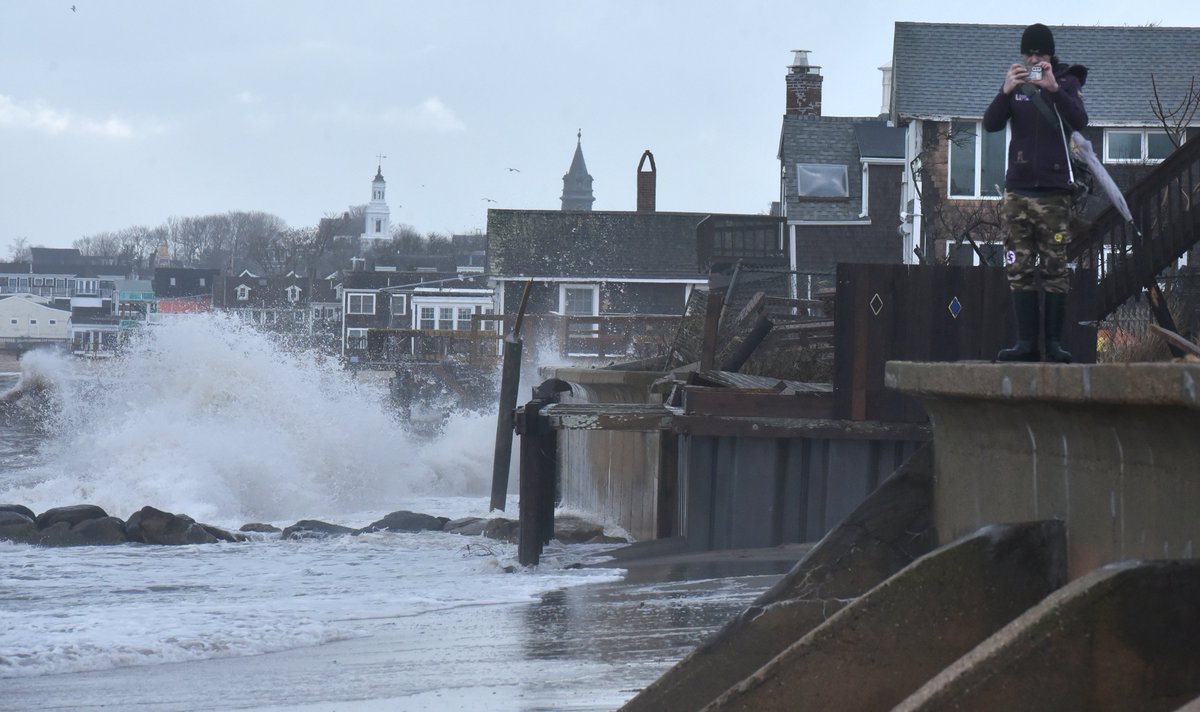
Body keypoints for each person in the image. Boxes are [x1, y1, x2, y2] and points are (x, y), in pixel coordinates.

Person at [983, 23, 1088, 362]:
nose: (1033, 60)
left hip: (1054, 193)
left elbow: (1080, 120)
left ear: (1050, 55)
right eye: (1028, 54)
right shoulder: (1016, 87)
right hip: (1018, 191)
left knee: (1055, 268)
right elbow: (991, 123)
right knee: (1020, 267)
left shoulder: (1066, 83)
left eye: (1040, 54)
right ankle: (1026, 343)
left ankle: (1053, 344)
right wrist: (1005, 91)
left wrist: (1054, 89)